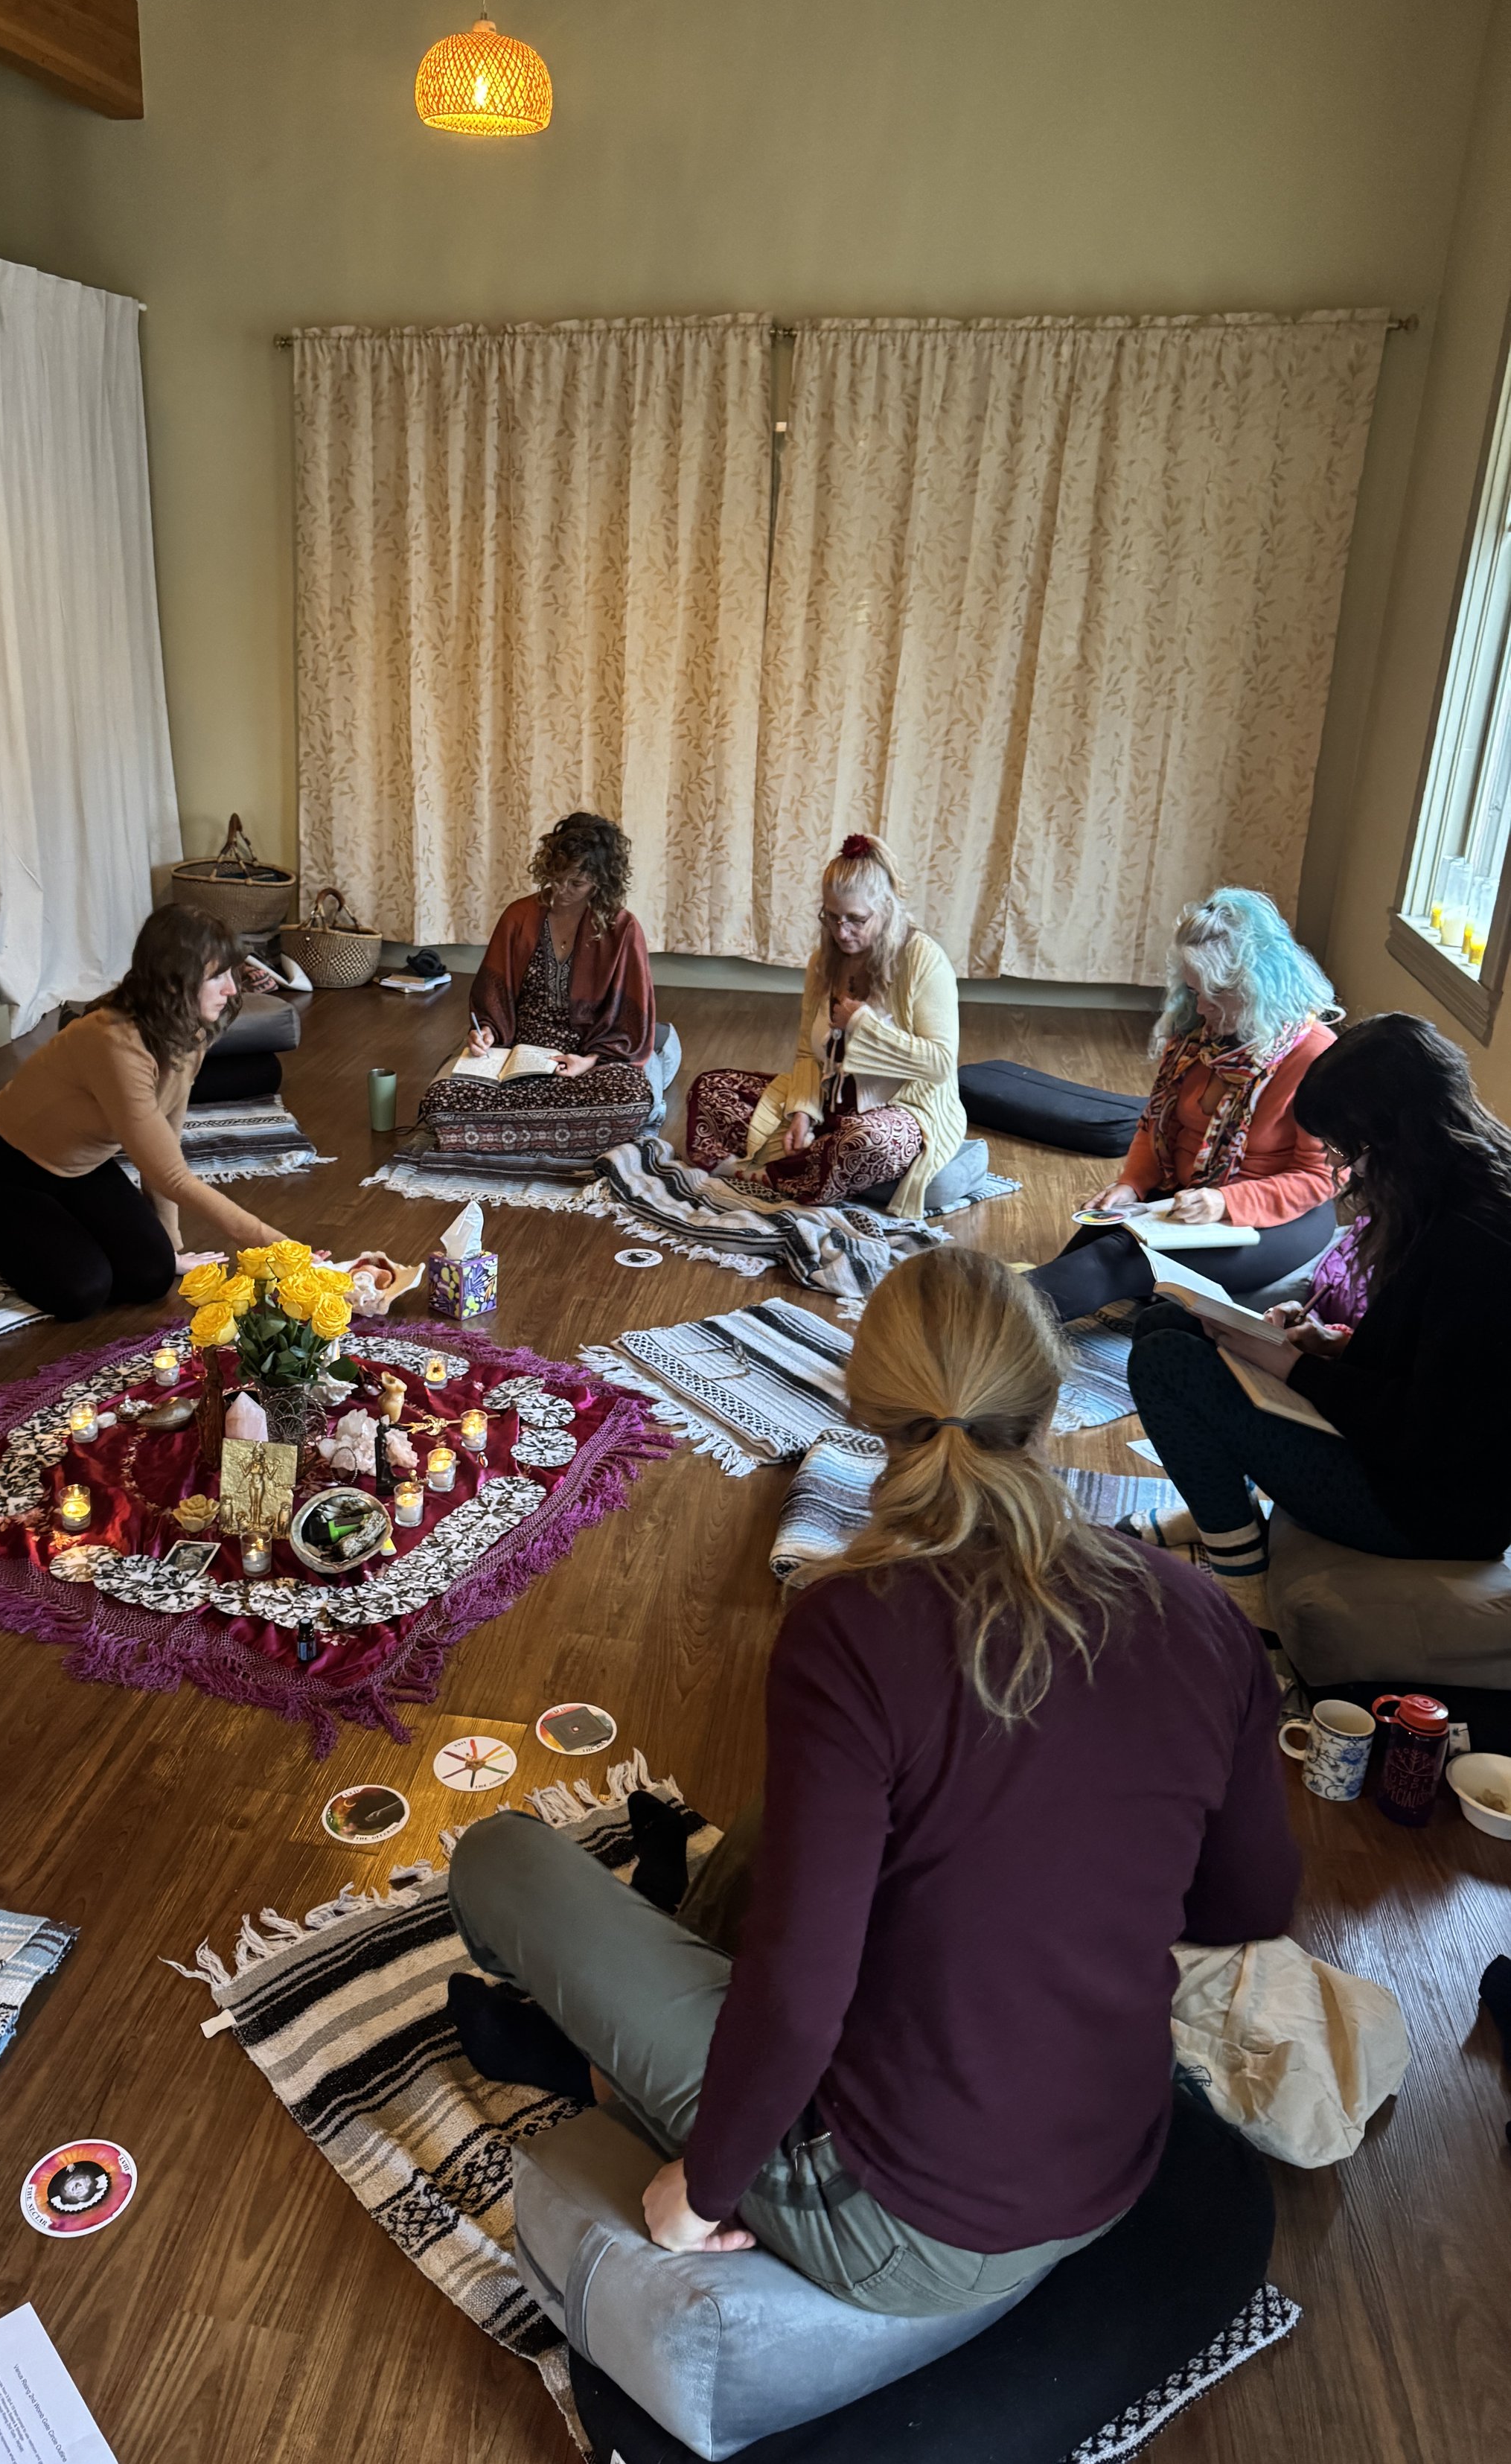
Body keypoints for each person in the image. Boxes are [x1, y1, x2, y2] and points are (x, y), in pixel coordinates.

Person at [447, 1247, 1296, 2315]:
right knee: (803, 1821)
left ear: (865, 1413)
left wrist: (702, 2190)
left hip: (903, 2220)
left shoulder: (848, 1625)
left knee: (499, 1857)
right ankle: (640, 2043)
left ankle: (608, 2075)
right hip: (1112, 2158)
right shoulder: (1203, 1610)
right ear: (1052, 1404)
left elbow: (802, 1998)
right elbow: (1249, 1901)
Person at [1128, 1012, 1511, 1633]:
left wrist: (1295, 1367)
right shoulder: (1452, 1197)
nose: (1345, 1170)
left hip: (1426, 1509)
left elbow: (1430, 1432)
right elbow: (1442, 1368)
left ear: (1394, 1137)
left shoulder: (1480, 1242)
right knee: (1168, 1323)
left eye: (1346, 1151)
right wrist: (1335, 1346)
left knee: (1168, 1362)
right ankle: (1226, 1512)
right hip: (1402, 1461)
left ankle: (1250, 1605)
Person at [0, 905, 292, 1322]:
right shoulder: (113, 1041)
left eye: (231, 973)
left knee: (150, 1275)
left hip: (80, 1165)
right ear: (174, 981)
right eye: (217, 976)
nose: (232, 989)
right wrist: (280, 1248)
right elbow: (174, 1177)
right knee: (83, 1292)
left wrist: (171, 1246)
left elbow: (167, 1138)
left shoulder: (191, 1029)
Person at [1029, 889, 1340, 1322]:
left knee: (1118, 1261)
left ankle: (984, 1329)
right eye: (1194, 991)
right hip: (1187, 1197)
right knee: (1091, 1244)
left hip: (1274, 1218)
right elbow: (1154, 1126)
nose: (1201, 1007)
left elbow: (1316, 1179)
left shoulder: (1316, 1057)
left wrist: (1224, 1202)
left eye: (1215, 995)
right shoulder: (1197, 1034)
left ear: (1258, 987)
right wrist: (1133, 1185)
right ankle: (984, 1321)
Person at [686, 834, 964, 1218]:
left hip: (898, 1112)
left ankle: (764, 1174)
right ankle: (804, 1172)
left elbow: (940, 1064)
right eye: (831, 917)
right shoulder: (824, 960)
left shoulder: (923, 960)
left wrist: (861, 1024)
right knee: (711, 1088)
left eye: (856, 919)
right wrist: (803, 1113)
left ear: (886, 907)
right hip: (829, 1109)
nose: (842, 931)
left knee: (869, 1143)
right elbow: (807, 1053)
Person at [415, 814, 655, 1161]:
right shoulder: (519, 916)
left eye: (577, 883)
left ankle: (496, 1136)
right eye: (557, 878)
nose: (562, 891)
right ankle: (576, 1138)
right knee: (442, 1101)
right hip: (518, 1053)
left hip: (587, 1057)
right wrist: (487, 1035)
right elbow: (492, 1003)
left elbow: (631, 1023)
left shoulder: (622, 928)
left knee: (630, 1096)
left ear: (601, 882)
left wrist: (588, 1062)